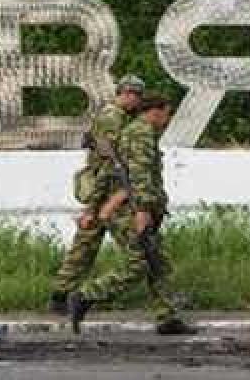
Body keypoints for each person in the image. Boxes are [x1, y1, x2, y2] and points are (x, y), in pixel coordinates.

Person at [69, 94, 191, 335]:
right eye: (166, 114)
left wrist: (92, 209)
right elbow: (140, 174)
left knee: (159, 264)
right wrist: (143, 211)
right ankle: (85, 296)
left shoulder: (129, 132)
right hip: (130, 212)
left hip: (130, 209)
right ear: (155, 111)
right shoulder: (142, 134)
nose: (167, 121)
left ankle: (167, 318)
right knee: (138, 266)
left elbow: (106, 173)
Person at [48, 74, 146, 315]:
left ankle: (60, 295)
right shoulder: (113, 118)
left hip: (104, 190)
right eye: (137, 96)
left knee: (85, 245)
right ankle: (160, 296)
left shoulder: (114, 116)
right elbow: (112, 160)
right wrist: (96, 204)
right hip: (110, 191)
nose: (139, 102)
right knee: (139, 246)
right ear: (128, 93)